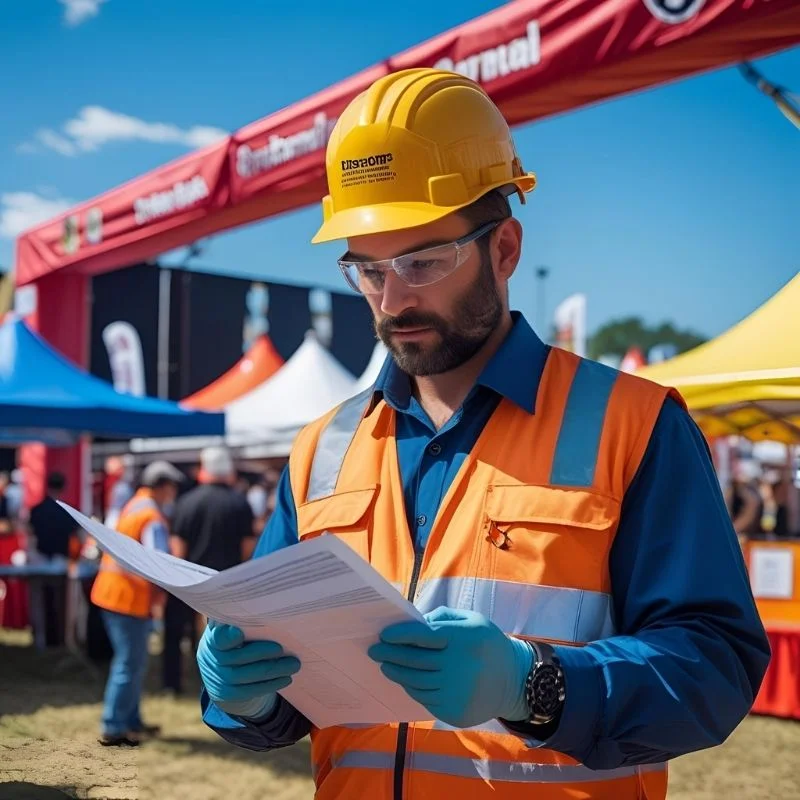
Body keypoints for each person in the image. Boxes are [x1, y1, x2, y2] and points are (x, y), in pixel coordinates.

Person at [195, 68, 770, 799]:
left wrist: (534, 683)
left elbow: (714, 669)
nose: (393, 298)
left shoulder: (635, 425)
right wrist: (242, 698)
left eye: (424, 261)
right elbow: (288, 693)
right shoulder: (320, 450)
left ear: (505, 250)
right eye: (367, 270)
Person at [91, 460, 184, 746]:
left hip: (115, 594)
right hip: (128, 599)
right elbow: (157, 563)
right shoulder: (152, 516)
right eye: (172, 487)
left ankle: (130, 720)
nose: (175, 493)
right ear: (163, 486)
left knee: (133, 663)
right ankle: (113, 726)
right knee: (129, 664)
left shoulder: (134, 505)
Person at [163, 446, 255, 695]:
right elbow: (247, 548)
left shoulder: (186, 502)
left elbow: (177, 548)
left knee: (176, 631)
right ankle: (220, 682)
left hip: (189, 580)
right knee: (227, 638)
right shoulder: (240, 503)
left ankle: (173, 683)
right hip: (228, 582)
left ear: (203, 469)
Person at [26, 472, 81, 647]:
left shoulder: (36, 510)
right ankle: (62, 639)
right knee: (63, 602)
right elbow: (78, 537)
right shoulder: (67, 511)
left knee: (39, 603)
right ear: (63, 488)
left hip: (39, 562)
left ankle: (40, 640)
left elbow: (30, 536)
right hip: (60, 563)